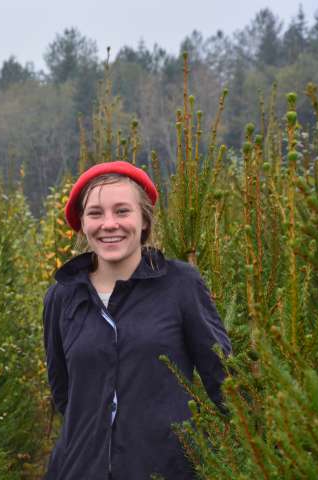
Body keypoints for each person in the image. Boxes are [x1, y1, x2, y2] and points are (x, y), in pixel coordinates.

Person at [43, 161, 231, 479]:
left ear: (144, 220)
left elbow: (223, 378)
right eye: (96, 213)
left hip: (165, 469)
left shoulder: (181, 284)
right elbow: (64, 391)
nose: (109, 224)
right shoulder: (62, 296)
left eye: (122, 211)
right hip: (80, 469)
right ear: (82, 224)